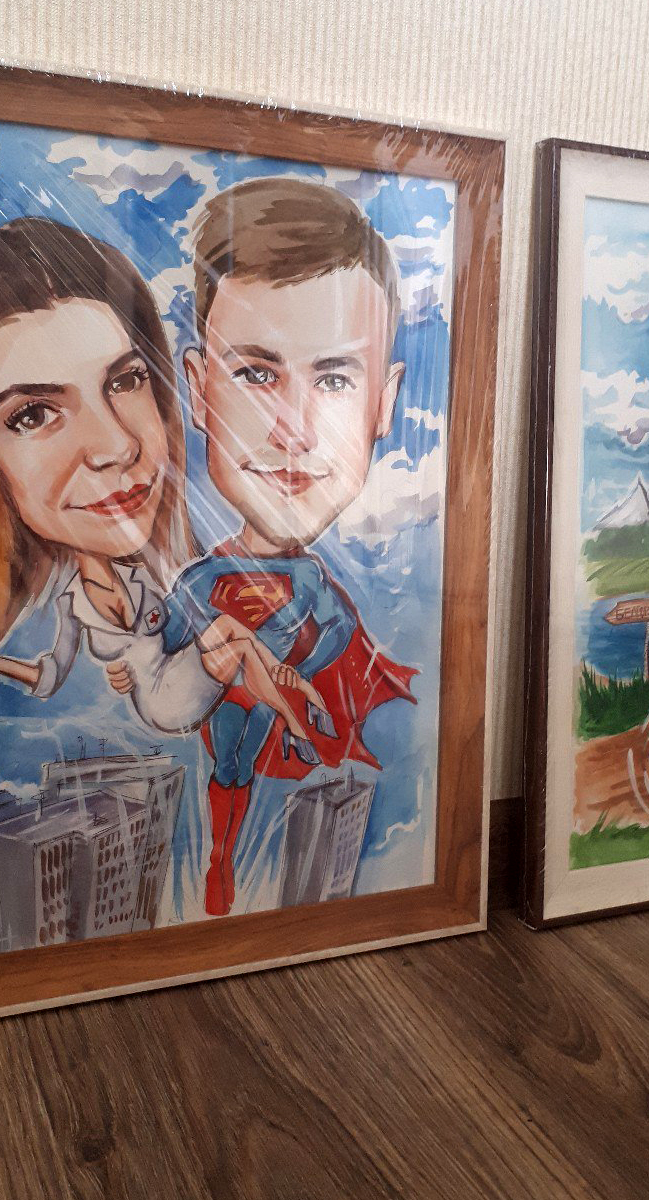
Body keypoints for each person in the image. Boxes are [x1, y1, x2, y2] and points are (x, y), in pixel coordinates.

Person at [0, 217, 324, 750]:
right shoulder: (2, 676)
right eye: (33, 415)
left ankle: (296, 713)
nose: (118, 445)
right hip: (162, 705)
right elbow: (49, 673)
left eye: (125, 381)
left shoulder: (173, 580)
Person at [142, 177, 418, 916]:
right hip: (228, 719)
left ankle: (235, 854)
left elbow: (333, 634)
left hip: (289, 733)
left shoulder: (319, 591)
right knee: (229, 770)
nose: (294, 430)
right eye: (257, 374)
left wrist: (297, 669)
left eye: (334, 378)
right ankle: (223, 862)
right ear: (199, 391)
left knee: (259, 771)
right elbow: (165, 645)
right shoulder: (199, 581)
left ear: (385, 403)